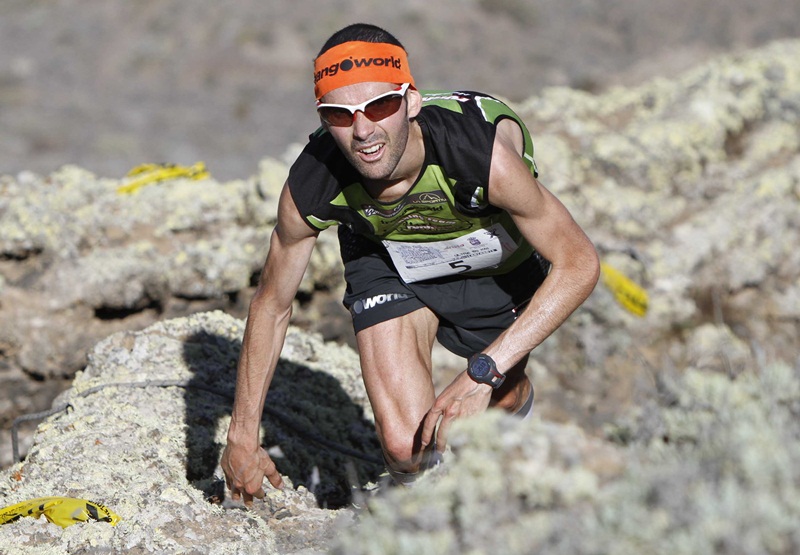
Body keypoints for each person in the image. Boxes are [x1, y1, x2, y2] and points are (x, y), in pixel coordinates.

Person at [221, 23, 600, 500]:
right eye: (340, 115)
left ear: (412, 103)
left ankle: (514, 408)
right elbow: (272, 304)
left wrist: (483, 373)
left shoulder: (479, 155)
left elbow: (579, 263)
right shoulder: (312, 182)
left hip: (490, 255)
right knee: (407, 446)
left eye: (380, 107)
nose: (363, 131)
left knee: (491, 405)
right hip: (386, 253)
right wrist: (241, 436)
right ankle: (415, 516)